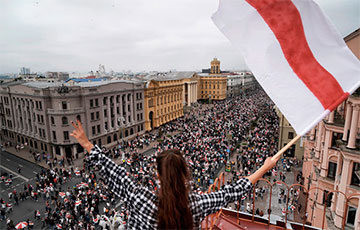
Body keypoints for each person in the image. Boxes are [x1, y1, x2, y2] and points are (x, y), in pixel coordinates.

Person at [70, 120, 279, 229]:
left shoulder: (140, 198)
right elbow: (231, 192)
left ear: (159, 176)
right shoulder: (196, 204)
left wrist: (87, 144)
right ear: (184, 174)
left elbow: (116, 173)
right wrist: (264, 168)